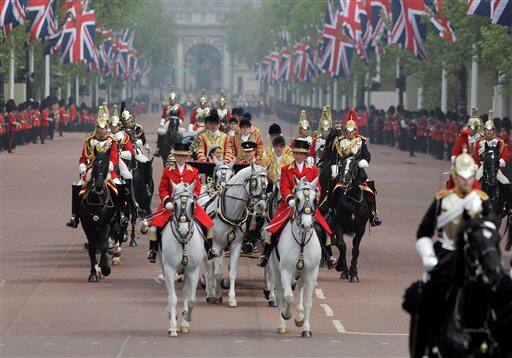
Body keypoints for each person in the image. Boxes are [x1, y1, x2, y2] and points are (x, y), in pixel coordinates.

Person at [407, 152, 493, 346]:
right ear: (454, 176)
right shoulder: (441, 200)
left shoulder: (482, 200)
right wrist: (429, 257)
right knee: (425, 299)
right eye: (462, 176)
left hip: (475, 257)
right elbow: (423, 233)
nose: (466, 181)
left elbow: (491, 232)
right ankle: (422, 346)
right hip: (446, 253)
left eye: (469, 176)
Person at [257, 139, 336, 268]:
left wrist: (313, 200)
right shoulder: (286, 169)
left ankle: (329, 256)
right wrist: (290, 199)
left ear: (305, 156)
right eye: (296, 154)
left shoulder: (313, 170)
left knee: (324, 229)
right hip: (289, 205)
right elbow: (284, 187)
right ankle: (265, 255)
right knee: (273, 229)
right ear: (293, 154)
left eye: (301, 154)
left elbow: (318, 188)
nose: (298, 156)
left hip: (308, 206)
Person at [147, 143, 216, 263]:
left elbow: (197, 186)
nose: (180, 158)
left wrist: (194, 198)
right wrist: (167, 200)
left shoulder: (194, 171)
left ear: (187, 157)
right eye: (178, 156)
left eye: (183, 156)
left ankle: (209, 249)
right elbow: (162, 188)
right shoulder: (168, 170)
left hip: (189, 203)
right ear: (175, 156)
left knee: (208, 224)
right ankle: (153, 251)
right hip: (171, 204)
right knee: (154, 227)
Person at [66, 104, 121, 228]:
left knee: (119, 187)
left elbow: (114, 157)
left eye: (103, 128)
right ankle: (74, 216)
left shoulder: (111, 141)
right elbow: (83, 157)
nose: (101, 130)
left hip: (107, 169)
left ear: (106, 127)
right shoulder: (89, 140)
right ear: (96, 127)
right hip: (92, 168)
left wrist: (111, 164)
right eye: (99, 128)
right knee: (78, 185)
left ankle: (120, 214)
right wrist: (82, 166)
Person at [329, 109, 382, 227]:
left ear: (355, 130)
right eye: (347, 130)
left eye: (351, 130)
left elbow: (366, 155)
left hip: (357, 171)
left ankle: (373, 215)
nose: (349, 133)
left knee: (370, 190)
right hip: (342, 170)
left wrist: (364, 161)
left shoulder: (360, 142)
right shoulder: (339, 141)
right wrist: (334, 169)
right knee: (332, 189)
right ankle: (330, 211)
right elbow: (334, 157)